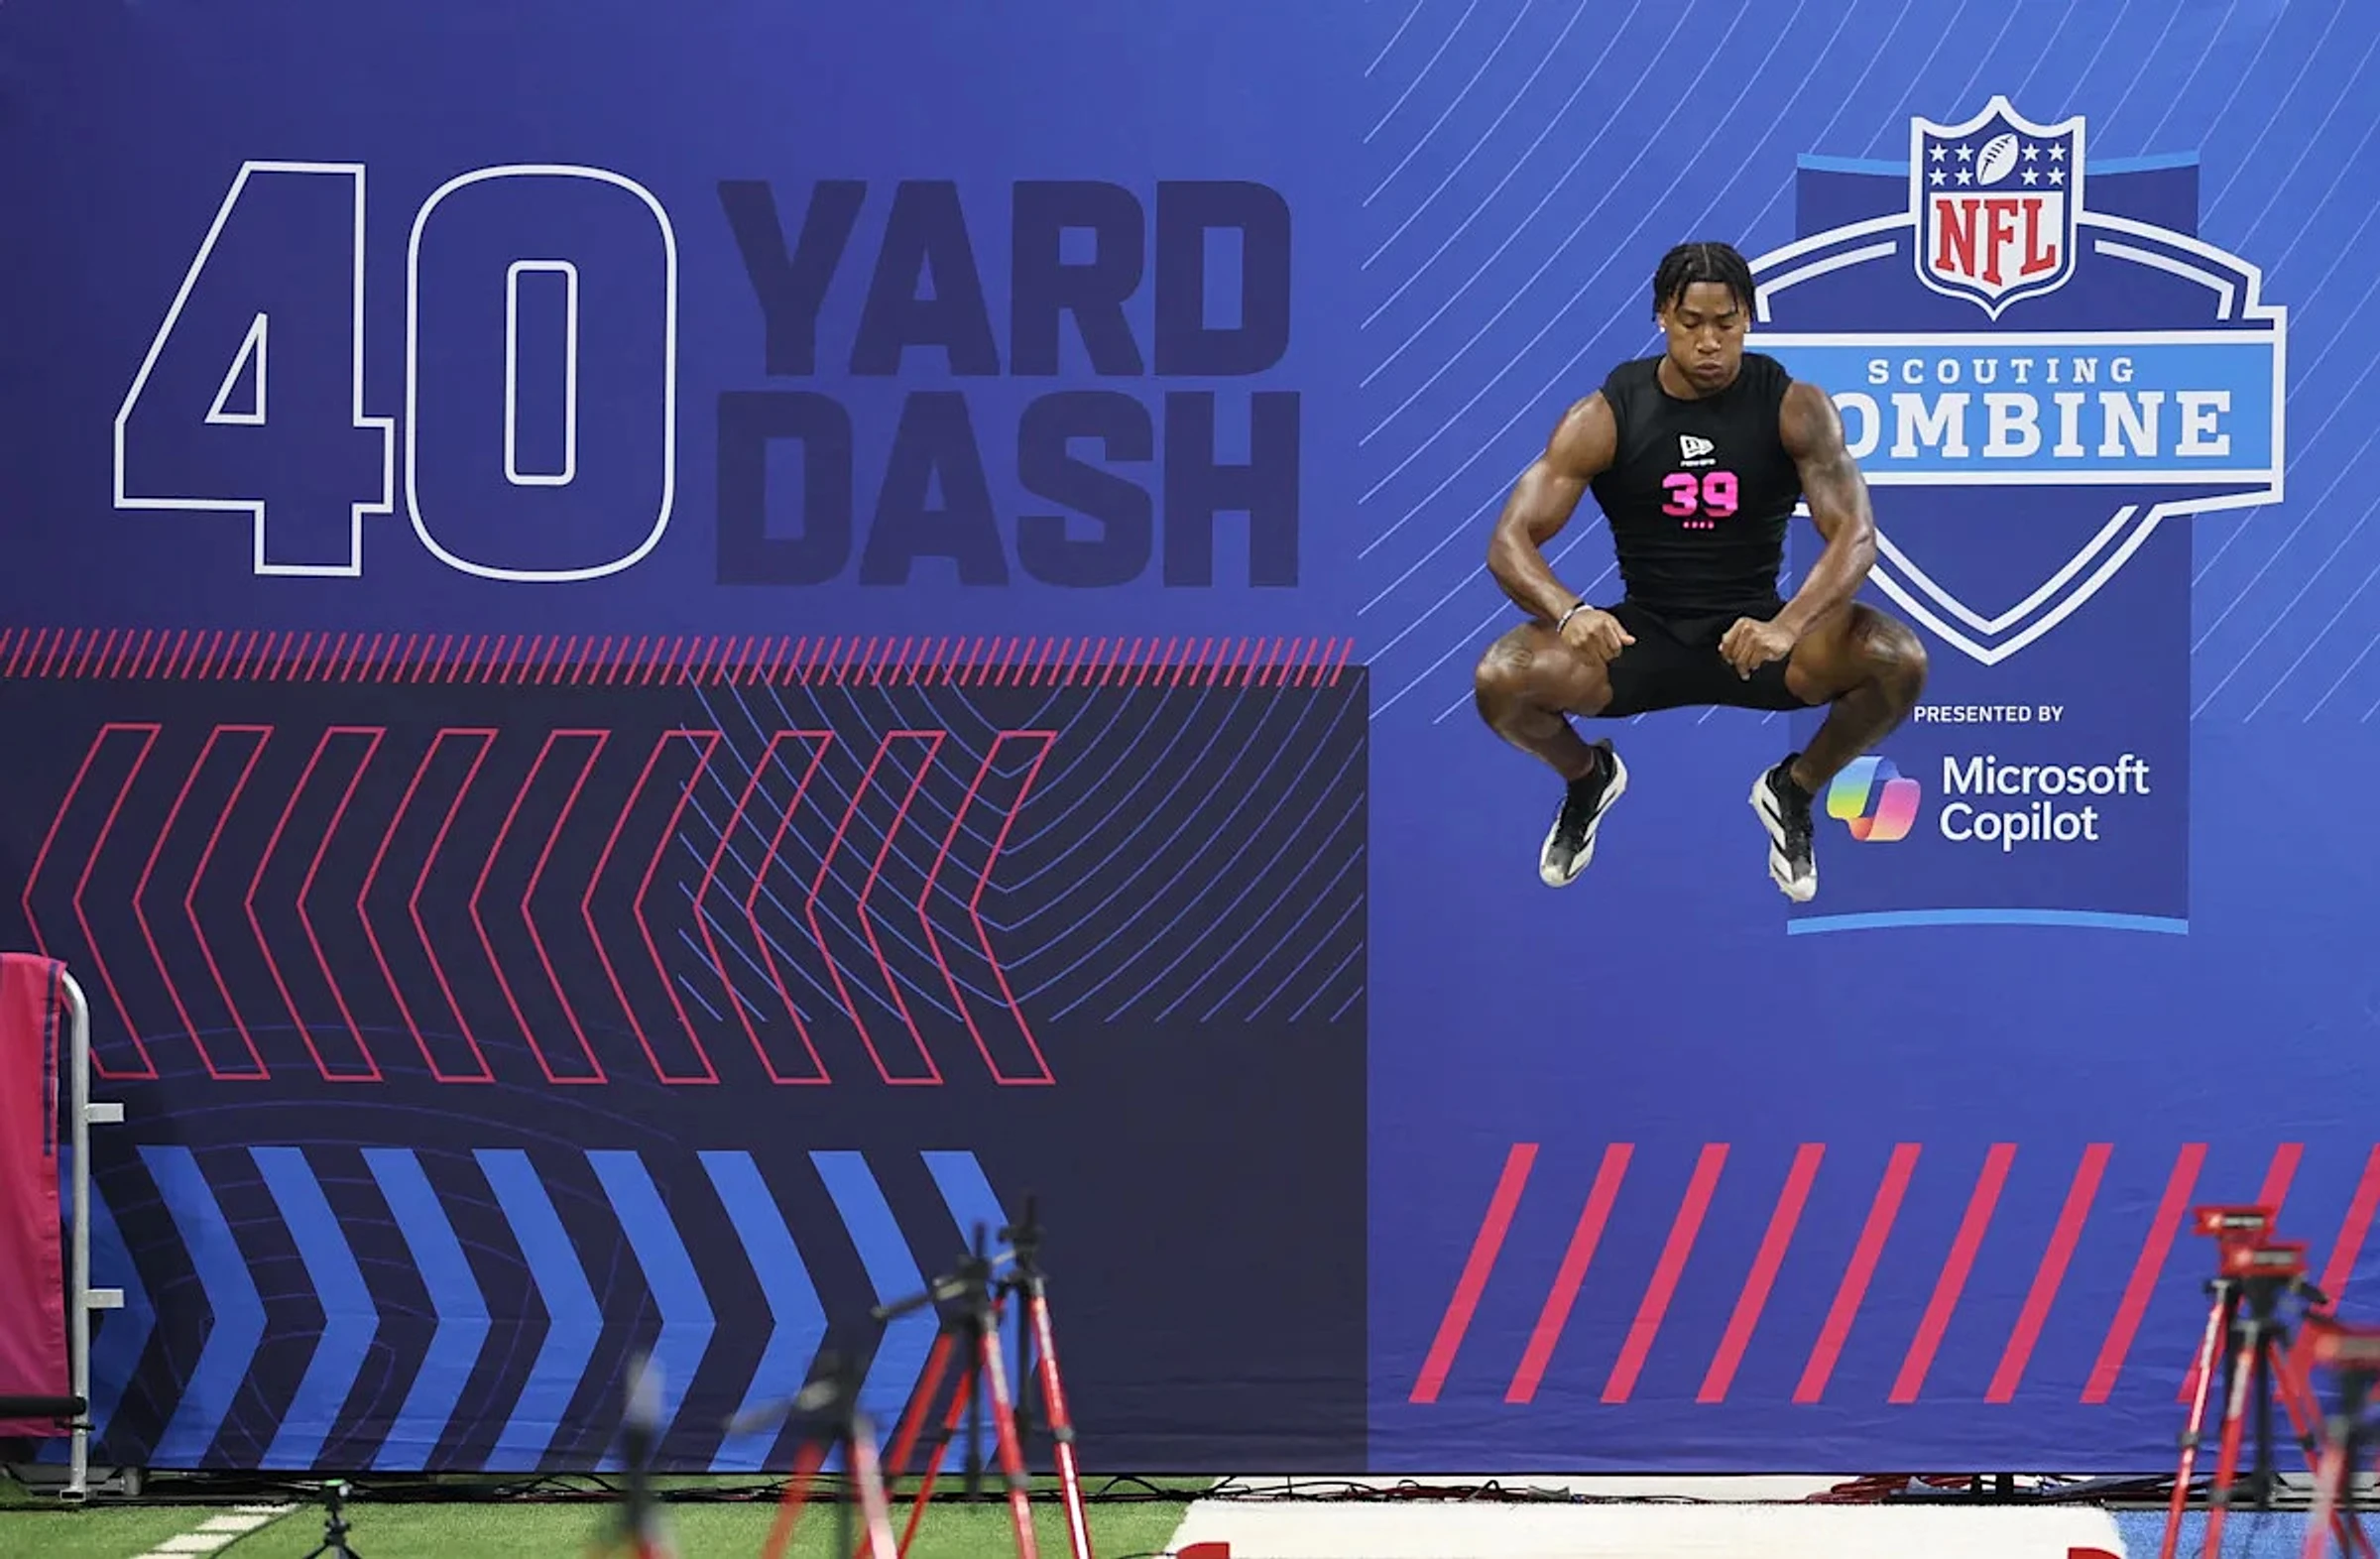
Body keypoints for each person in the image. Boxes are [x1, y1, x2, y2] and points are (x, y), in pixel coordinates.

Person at [1471, 240, 1928, 902]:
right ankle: (1588, 779)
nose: (1709, 341)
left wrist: (1788, 626)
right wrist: (1570, 613)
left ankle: (1793, 790)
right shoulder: (1604, 415)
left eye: (1726, 323)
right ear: (1662, 316)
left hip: (1758, 638)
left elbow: (1855, 536)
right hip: (1640, 639)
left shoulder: (1795, 407)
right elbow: (1509, 541)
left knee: (1896, 659)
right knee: (1503, 678)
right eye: (1691, 323)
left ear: (1749, 320)